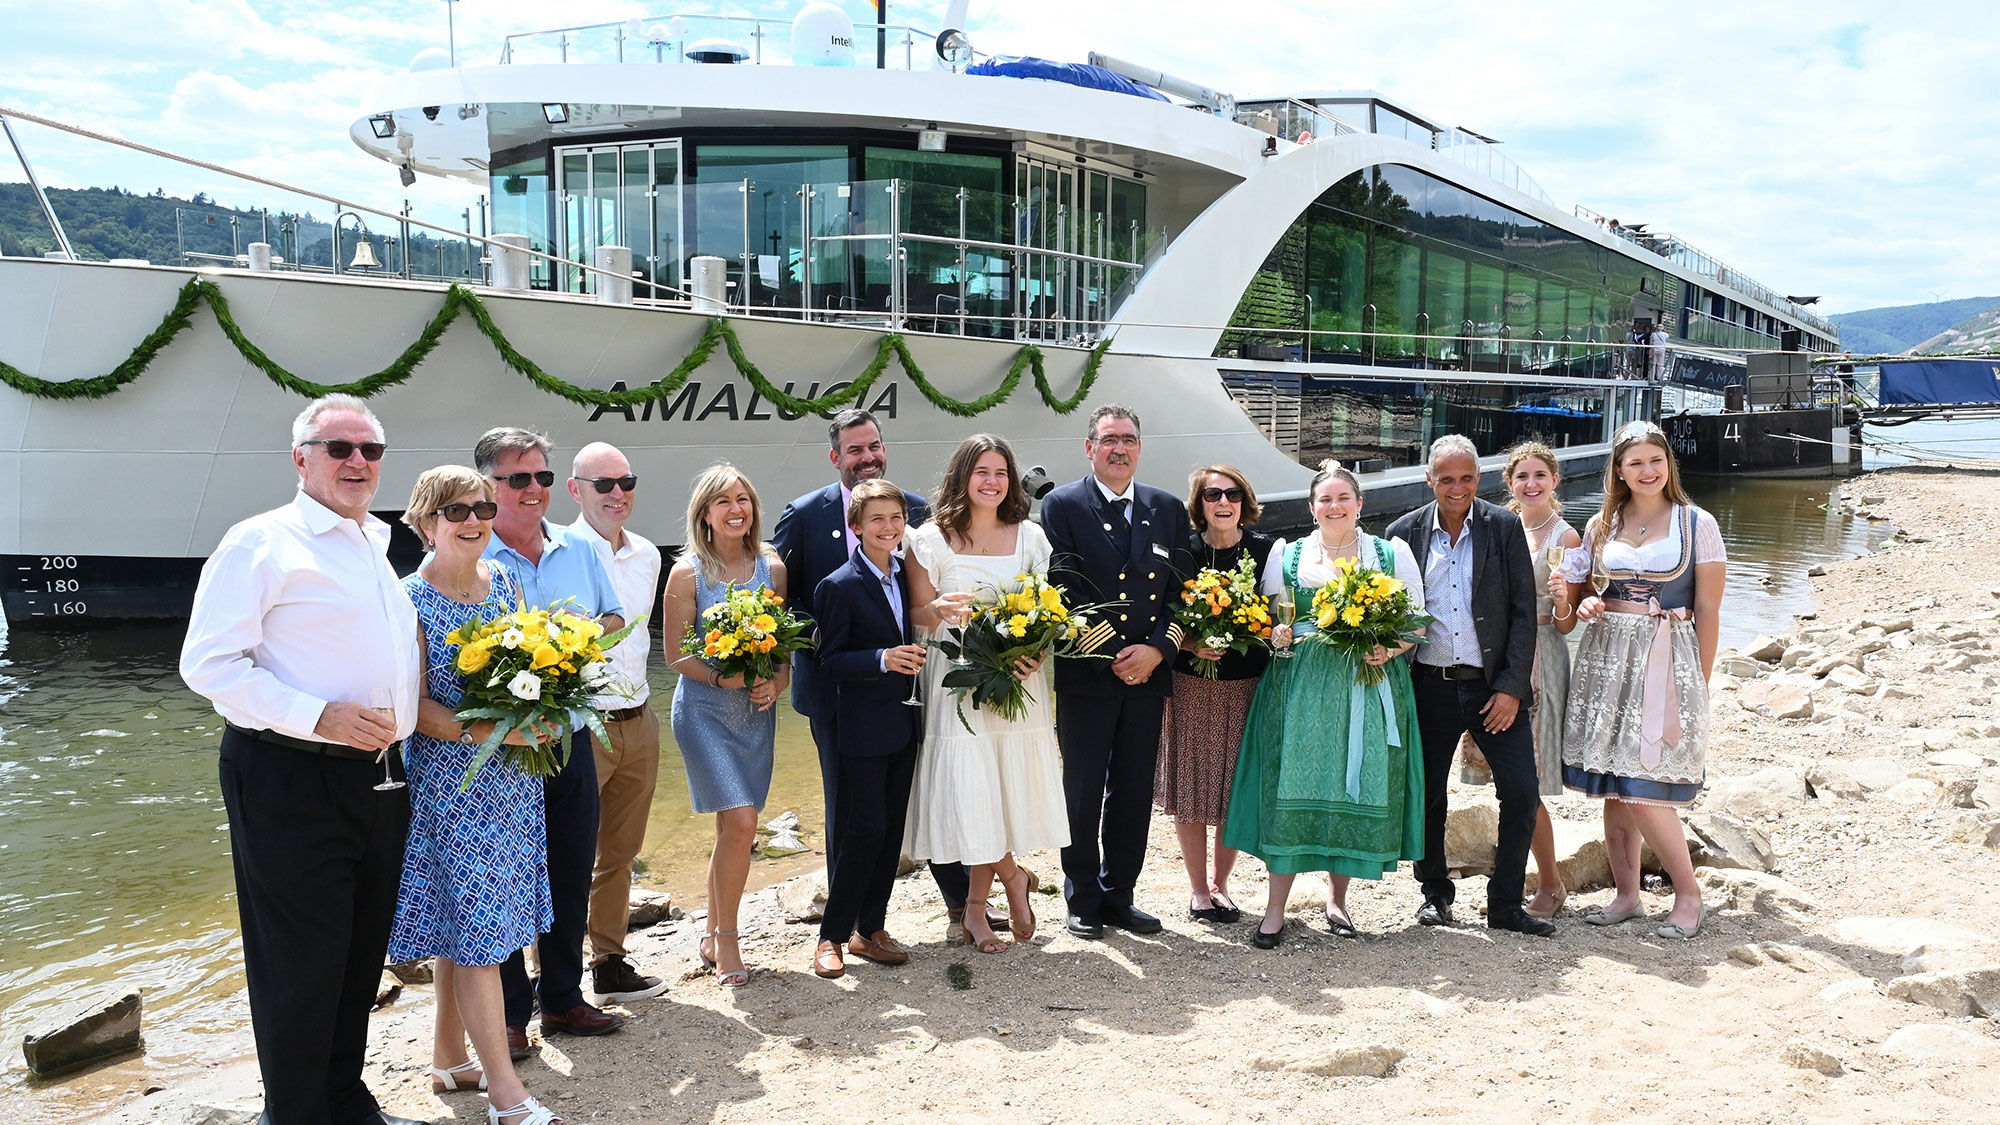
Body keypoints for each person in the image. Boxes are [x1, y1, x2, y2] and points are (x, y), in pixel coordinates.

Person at [179, 393, 428, 1125]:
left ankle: (344, 1099)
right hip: (290, 772)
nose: (357, 461)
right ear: (300, 457)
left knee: (357, 950)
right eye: (338, 447)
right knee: (300, 960)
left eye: (370, 450)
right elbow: (208, 663)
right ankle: (292, 1113)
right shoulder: (262, 542)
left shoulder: (372, 545)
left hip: (380, 776)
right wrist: (315, 713)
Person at [772, 411, 987, 944]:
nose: (867, 456)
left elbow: (924, 594)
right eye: (855, 449)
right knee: (851, 815)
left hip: (907, 693)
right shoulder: (802, 517)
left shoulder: (913, 511)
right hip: (834, 692)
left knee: (902, 806)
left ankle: (947, 906)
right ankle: (839, 930)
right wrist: (835, 639)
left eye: (874, 446)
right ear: (835, 457)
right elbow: (785, 604)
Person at [390, 466, 563, 1125]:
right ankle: (505, 1095)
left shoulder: (510, 580)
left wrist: (544, 712)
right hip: (450, 786)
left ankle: (449, 1057)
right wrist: (494, 730)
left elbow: (536, 672)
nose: (473, 520)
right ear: (427, 519)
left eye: (483, 508)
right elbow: (413, 707)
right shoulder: (408, 599)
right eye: (457, 509)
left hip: (512, 785)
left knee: (466, 928)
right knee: (481, 939)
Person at [1223, 463, 1425, 947]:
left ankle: (1338, 900)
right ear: (1311, 508)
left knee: (1349, 785)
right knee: (1292, 783)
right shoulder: (1286, 555)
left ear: (1360, 504)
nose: (1334, 507)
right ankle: (1275, 910)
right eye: (1324, 500)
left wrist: (1389, 647)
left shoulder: (1389, 553)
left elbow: (1417, 623)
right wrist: (1276, 632)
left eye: (1343, 498)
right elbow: (1265, 618)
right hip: (1300, 685)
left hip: (1367, 679)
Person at [476, 427, 627, 1053]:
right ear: (489, 485)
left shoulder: (580, 549)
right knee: (510, 873)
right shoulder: (473, 553)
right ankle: (511, 1012)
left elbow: (616, 616)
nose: (534, 488)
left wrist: (579, 642)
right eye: (519, 479)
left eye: (541, 475)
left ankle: (563, 999)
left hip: (568, 738)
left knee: (569, 865)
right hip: (502, 751)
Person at [1384, 434, 1555, 937]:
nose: (1456, 488)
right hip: (1427, 686)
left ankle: (1505, 903)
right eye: (1446, 479)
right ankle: (1434, 895)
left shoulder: (1504, 528)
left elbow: (1525, 615)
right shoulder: (1402, 534)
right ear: (1429, 479)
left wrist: (1510, 688)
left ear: (1478, 479)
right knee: (1428, 795)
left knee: (1522, 793)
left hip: (1492, 689)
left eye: (1466, 478)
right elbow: (1387, 610)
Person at [1560, 421, 1726, 940]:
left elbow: (1710, 610)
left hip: (1666, 653)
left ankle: (1688, 894)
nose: (1647, 471)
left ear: (1668, 465)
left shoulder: (1697, 523)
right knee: (1615, 784)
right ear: (1619, 470)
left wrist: (1699, 680)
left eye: (1656, 460)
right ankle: (1628, 895)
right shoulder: (1600, 524)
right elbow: (1584, 594)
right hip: (1606, 654)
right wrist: (1585, 602)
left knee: (1643, 786)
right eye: (1635, 463)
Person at [903, 435, 1069, 953]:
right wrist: (940, 610)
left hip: (1018, 677)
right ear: (962, 477)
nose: (992, 481)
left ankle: (977, 908)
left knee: (998, 787)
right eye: (982, 471)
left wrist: (1036, 653)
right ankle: (1012, 878)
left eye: (1001, 471)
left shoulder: (1030, 538)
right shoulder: (928, 539)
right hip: (955, 680)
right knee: (970, 789)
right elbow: (916, 614)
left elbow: (1049, 612)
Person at [1040, 405, 1192, 940]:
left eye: (1128, 439)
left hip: (1149, 676)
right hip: (1088, 674)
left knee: (1132, 790)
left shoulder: (1167, 508)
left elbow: (1182, 591)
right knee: (1081, 789)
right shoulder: (1061, 506)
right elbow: (1060, 587)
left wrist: (1156, 651)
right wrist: (1112, 654)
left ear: (1140, 447)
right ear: (1090, 448)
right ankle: (1081, 896)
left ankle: (1120, 893)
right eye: (1109, 440)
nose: (1119, 448)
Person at [663, 464, 790, 986]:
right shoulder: (687, 574)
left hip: (756, 711)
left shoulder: (772, 568)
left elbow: (782, 647)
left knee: (730, 828)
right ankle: (730, 943)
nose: (737, 509)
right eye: (723, 502)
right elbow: (674, 655)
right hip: (704, 711)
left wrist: (775, 683)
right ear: (705, 515)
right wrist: (725, 680)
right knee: (741, 824)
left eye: (744, 499)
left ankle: (714, 931)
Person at [809, 479, 927, 978]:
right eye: (876, 519)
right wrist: (882, 658)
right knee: (864, 831)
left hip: (905, 720)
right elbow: (829, 661)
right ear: (855, 528)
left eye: (895, 518)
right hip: (860, 727)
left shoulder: (907, 576)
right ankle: (830, 937)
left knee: (891, 831)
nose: (888, 527)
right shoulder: (837, 585)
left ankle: (871, 930)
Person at [565, 443, 670, 1005]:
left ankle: (608, 961)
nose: (616, 493)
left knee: (621, 851)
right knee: (563, 852)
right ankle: (550, 977)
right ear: (575, 490)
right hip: (583, 724)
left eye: (625, 481)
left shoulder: (649, 555)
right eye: (602, 484)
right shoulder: (558, 552)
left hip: (639, 717)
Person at [1158, 465, 1276, 925]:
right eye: (1212, 495)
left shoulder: (1266, 552)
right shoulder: (1182, 553)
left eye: (1232, 494)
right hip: (1190, 685)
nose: (1222, 503)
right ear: (1199, 503)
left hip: (1247, 686)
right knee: (1189, 787)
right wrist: (1189, 643)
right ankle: (1197, 891)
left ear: (1245, 502)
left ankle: (1221, 885)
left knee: (1234, 788)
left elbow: (1278, 614)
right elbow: (1161, 613)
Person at [1503, 442, 1582, 919]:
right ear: (1509, 483)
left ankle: (1551, 883)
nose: (1530, 484)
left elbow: (1570, 623)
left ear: (1555, 480)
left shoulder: (1566, 537)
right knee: (1511, 777)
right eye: (1522, 477)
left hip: (1543, 653)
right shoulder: (1503, 525)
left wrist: (1561, 599)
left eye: (1539, 475)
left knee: (1527, 779)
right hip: (1505, 654)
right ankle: (1520, 873)